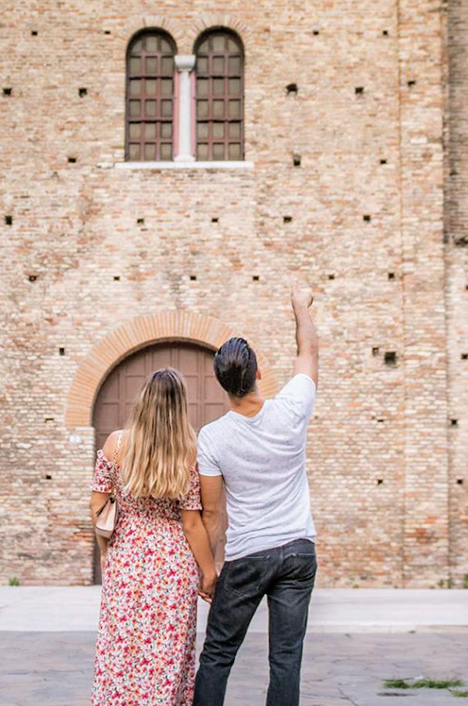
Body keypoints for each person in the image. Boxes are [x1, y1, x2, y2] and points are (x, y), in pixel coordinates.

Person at [194, 284, 319, 706]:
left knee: (217, 655)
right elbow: (308, 351)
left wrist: (211, 569)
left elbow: (213, 514)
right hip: (298, 550)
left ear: (221, 384)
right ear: (259, 373)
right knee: (286, 658)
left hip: (247, 556)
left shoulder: (212, 438)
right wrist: (300, 307)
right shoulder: (292, 407)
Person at [91, 367, 219, 706]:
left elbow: (98, 506)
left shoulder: (116, 444)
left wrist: (106, 551)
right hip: (173, 566)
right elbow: (192, 524)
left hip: (126, 559)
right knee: (167, 655)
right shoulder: (188, 451)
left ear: (143, 400)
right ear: (180, 406)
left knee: (122, 651)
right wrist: (209, 572)